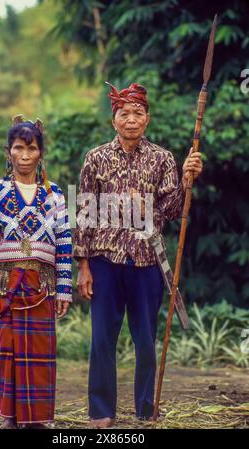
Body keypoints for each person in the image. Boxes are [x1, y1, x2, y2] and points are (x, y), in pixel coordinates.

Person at [74, 82, 203, 428]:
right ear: (114, 120)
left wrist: (188, 180)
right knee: (102, 339)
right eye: (123, 113)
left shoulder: (161, 159)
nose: (131, 119)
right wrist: (83, 266)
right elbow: (85, 215)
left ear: (147, 119)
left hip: (147, 263)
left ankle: (146, 408)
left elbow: (173, 209)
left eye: (137, 113)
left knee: (145, 341)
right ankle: (101, 411)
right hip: (104, 262)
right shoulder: (95, 159)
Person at [0, 116, 72, 429]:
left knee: (39, 354)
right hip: (4, 285)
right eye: (18, 148)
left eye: (31, 148)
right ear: (9, 152)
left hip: (41, 286)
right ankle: (10, 418)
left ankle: (38, 419)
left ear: (41, 152)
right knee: (6, 352)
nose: (25, 155)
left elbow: (65, 246)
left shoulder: (55, 194)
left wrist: (65, 288)